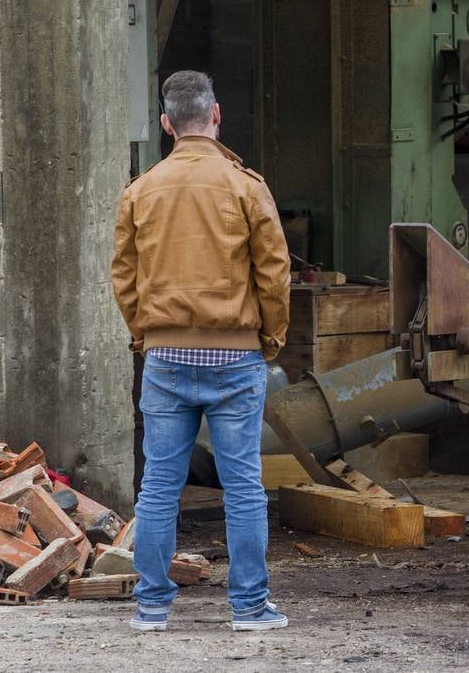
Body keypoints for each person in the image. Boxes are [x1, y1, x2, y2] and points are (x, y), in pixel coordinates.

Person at [111, 70, 291, 633]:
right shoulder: (246, 186)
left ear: (167, 124)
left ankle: (151, 607)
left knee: (159, 486)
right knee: (243, 486)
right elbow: (275, 274)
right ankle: (249, 608)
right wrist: (269, 339)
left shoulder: (140, 190)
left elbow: (125, 277)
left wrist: (147, 337)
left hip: (165, 357)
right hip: (235, 357)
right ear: (216, 116)